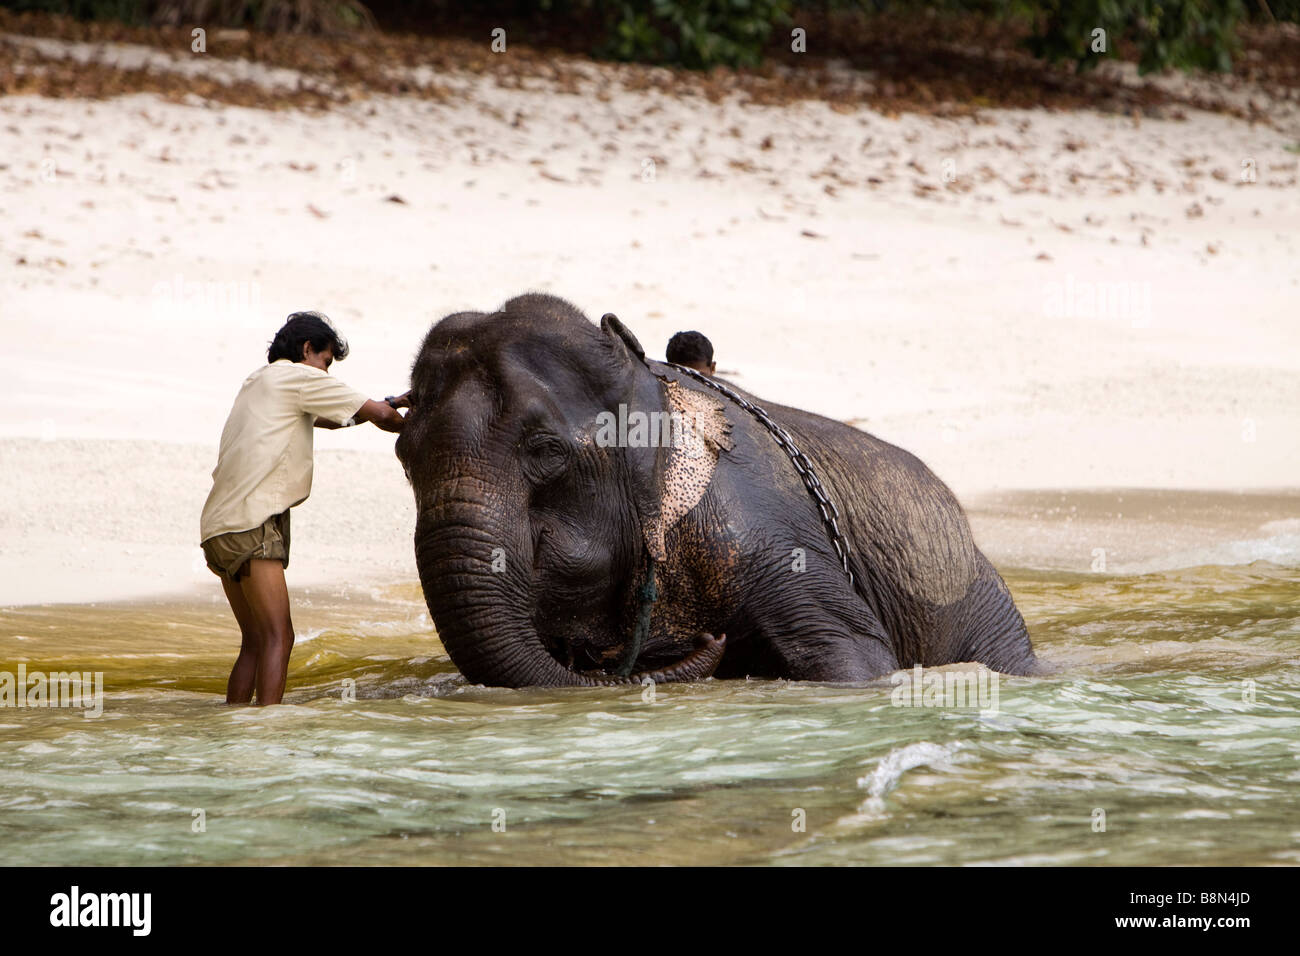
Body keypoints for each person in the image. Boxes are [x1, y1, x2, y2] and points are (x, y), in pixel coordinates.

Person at [200, 311, 409, 706]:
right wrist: (421, 423)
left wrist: (394, 400)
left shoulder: (256, 382)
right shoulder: (300, 377)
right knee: (281, 635)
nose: (325, 374)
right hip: (253, 522)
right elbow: (378, 417)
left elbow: (333, 420)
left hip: (217, 529)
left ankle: (232, 729)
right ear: (307, 349)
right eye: (326, 362)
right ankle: (268, 731)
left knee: (255, 642)